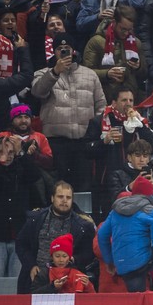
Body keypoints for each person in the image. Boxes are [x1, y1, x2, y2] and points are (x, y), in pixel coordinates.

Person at [32, 33, 106, 190]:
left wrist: (94, 132)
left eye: (67, 48)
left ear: (73, 51)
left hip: (83, 141)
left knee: (83, 186)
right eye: (60, 48)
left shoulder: (90, 75)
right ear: (54, 51)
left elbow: (101, 105)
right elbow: (38, 92)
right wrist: (54, 73)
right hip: (56, 142)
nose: (63, 51)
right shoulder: (42, 73)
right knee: (58, 186)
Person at [97, 175, 153, 292]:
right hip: (141, 262)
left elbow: (101, 235)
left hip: (122, 265)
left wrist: (109, 260)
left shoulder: (115, 211)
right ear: (150, 195)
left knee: (136, 301)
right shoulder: (152, 211)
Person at [0, 136, 42, 278]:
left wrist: (21, 153)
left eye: (10, 152)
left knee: (16, 281)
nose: (7, 155)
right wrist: (1, 161)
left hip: (19, 236)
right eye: (1, 151)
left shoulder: (21, 167)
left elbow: (35, 175)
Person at [16, 181, 97, 294]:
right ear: (52, 198)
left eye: (68, 197)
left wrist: (74, 259)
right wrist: (31, 265)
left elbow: (89, 252)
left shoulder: (84, 226)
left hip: (69, 281)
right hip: (37, 279)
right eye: (60, 196)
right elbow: (21, 244)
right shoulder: (35, 219)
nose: (64, 200)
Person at [82, 5, 148, 102]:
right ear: (114, 22)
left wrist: (138, 67)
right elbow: (86, 74)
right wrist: (107, 74)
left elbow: (145, 73)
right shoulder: (96, 42)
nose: (126, 33)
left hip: (131, 100)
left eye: (129, 30)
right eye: (123, 29)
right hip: (105, 99)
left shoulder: (136, 43)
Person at [30, 233, 96, 294]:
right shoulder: (43, 274)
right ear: (52, 256)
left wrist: (88, 286)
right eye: (57, 256)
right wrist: (52, 287)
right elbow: (33, 293)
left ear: (70, 257)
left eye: (64, 256)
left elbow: (92, 298)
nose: (61, 260)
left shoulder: (78, 274)